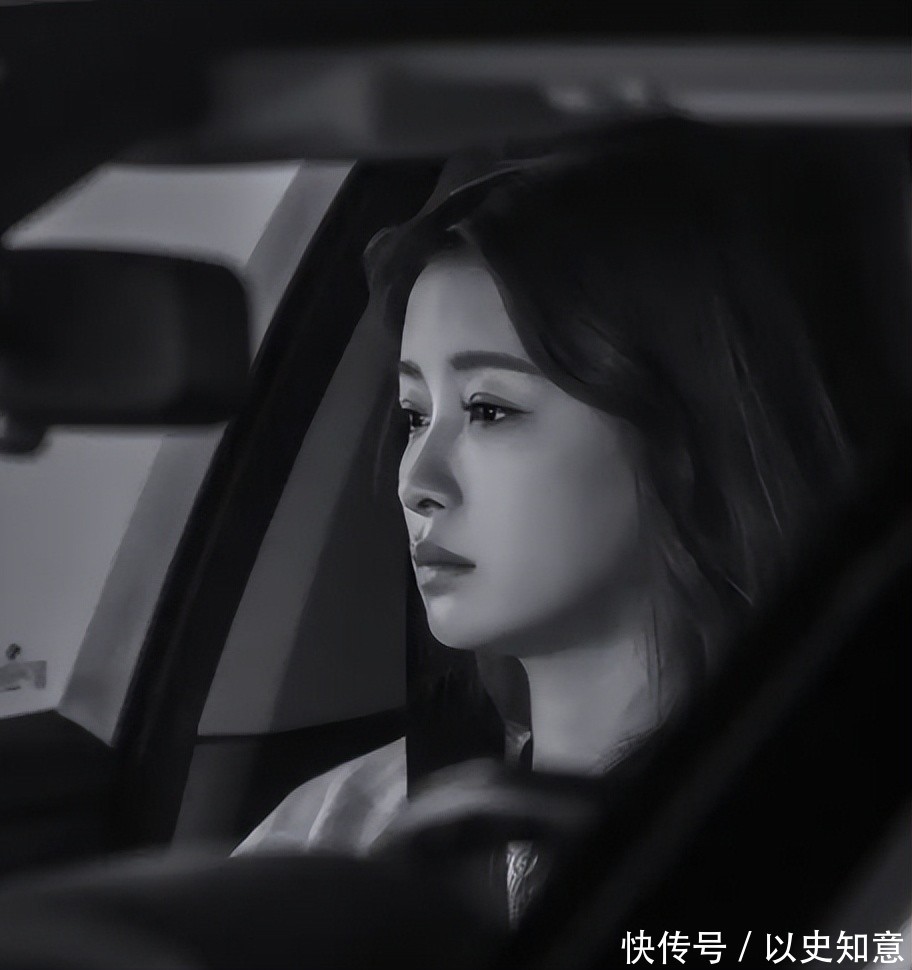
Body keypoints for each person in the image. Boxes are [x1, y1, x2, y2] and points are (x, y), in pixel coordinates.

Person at [231, 118, 857, 929]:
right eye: (415, 415)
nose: (416, 482)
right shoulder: (342, 829)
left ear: (689, 434)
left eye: (489, 409)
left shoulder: (853, 863)